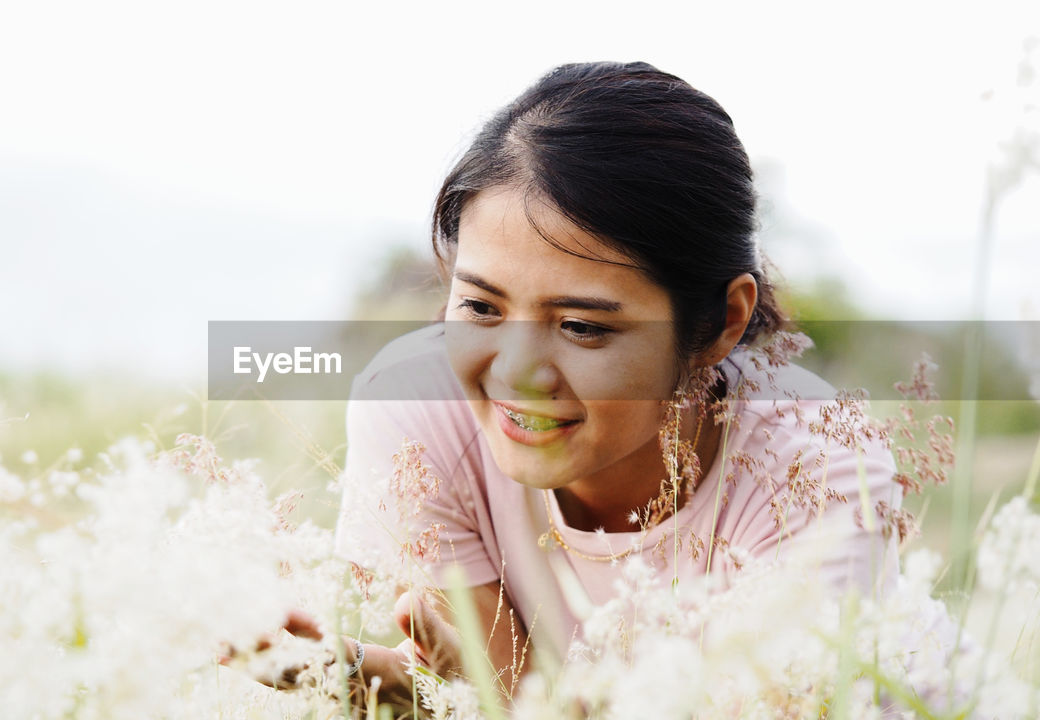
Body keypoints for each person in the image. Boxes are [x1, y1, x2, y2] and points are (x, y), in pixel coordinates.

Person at [321, 60, 902, 710]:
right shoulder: (416, 412)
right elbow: (509, 696)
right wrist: (390, 685)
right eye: (482, 308)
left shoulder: (815, 471)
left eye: (579, 326)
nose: (514, 373)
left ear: (722, 321)